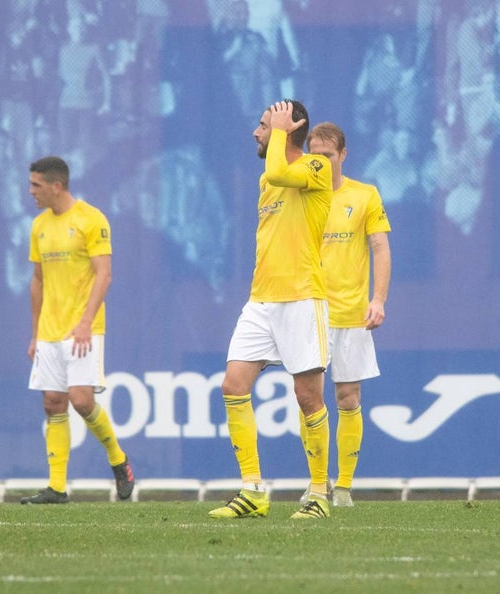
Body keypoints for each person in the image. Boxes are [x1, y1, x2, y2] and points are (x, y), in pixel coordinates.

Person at [209, 100, 335, 520]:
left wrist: (281, 131)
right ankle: (253, 490)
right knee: (233, 385)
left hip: (302, 297)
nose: (256, 133)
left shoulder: (316, 168)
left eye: (263, 125)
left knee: (307, 396)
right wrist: (279, 134)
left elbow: (279, 170)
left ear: (286, 129)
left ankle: (319, 493)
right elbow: (274, 175)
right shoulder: (269, 180)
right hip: (262, 299)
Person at [21, 156, 134, 504]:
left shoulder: (91, 219)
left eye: (36, 185)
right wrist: (36, 333)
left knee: (82, 401)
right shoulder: (39, 225)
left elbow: (105, 274)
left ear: (57, 186)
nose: (31, 192)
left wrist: (85, 323)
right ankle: (57, 487)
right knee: (53, 404)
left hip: (83, 329)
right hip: (50, 332)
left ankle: (119, 461)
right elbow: (37, 281)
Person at [299, 122, 391, 507]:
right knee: (310, 400)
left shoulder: (364, 195)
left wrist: (379, 299)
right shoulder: (300, 195)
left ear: (343, 155)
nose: (321, 163)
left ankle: (345, 487)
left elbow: (380, 248)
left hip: (351, 311)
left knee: (348, 397)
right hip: (307, 310)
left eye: (328, 156)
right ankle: (317, 483)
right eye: (314, 156)